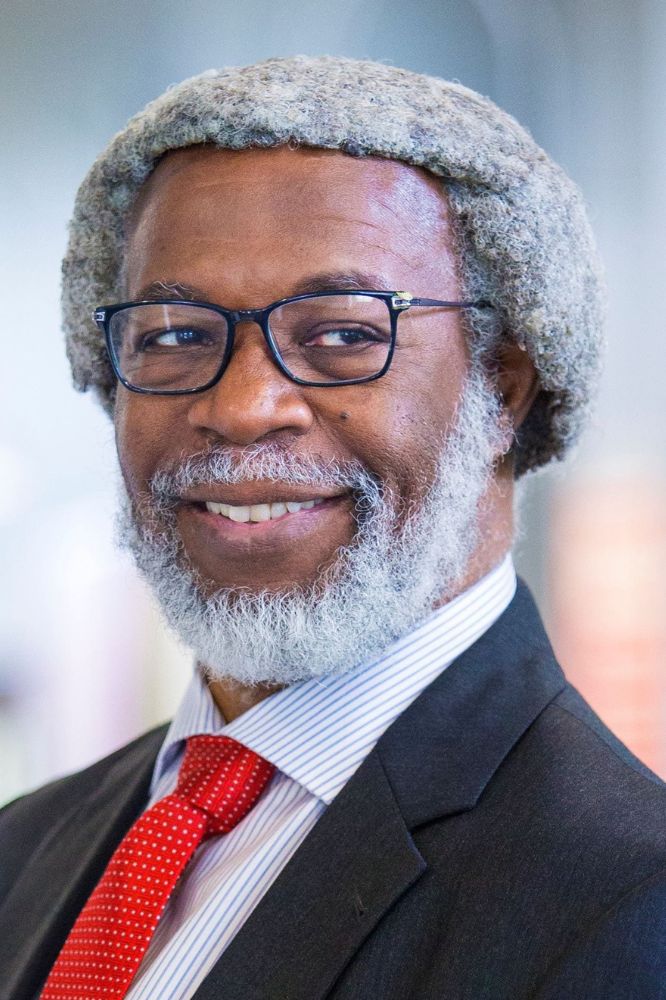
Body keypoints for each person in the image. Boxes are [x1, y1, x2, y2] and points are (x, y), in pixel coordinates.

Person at [1, 55, 664, 1000]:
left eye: (344, 334)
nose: (242, 406)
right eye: (176, 335)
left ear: (504, 386)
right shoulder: (26, 848)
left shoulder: (628, 907)